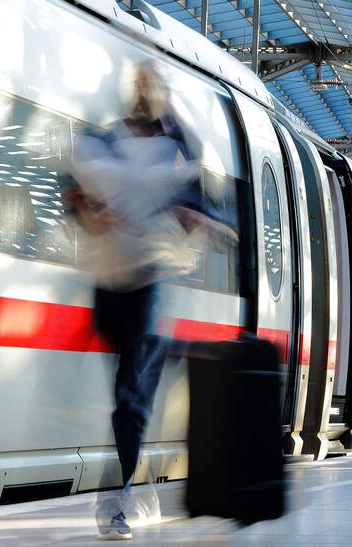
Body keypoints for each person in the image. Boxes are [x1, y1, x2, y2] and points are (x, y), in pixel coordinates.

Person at [66, 60, 234, 540]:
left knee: (130, 396)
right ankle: (130, 482)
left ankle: (119, 496)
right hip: (107, 279)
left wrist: (199, 219)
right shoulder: (103, 141)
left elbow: (207, 203)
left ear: (161, 94)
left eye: (150, 86)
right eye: (138, 86)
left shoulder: (177, 147)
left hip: (149, 279)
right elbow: (72, 192)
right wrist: (89, 210)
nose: (143, 94)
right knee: (126, 392)